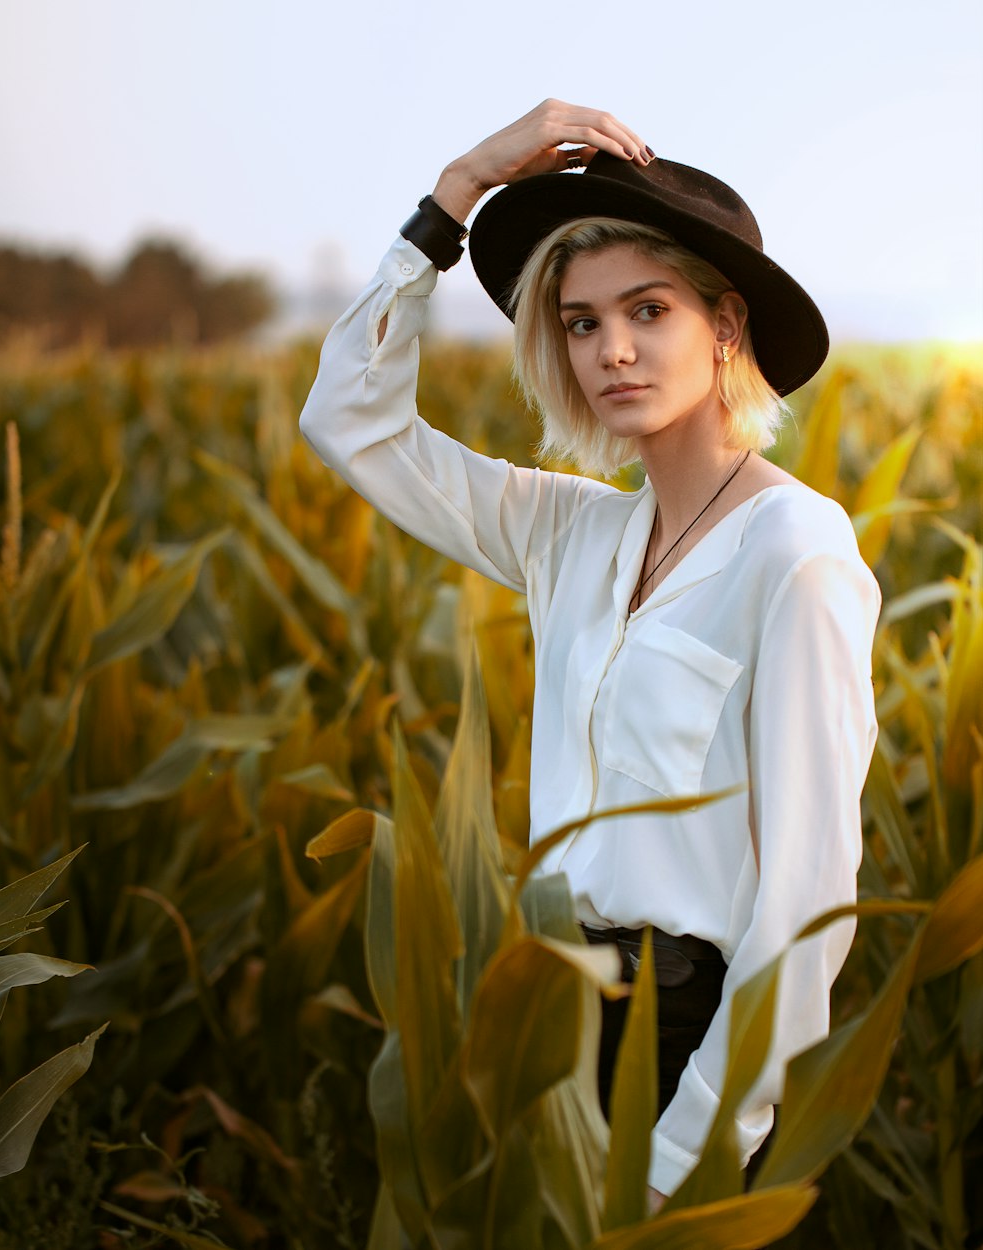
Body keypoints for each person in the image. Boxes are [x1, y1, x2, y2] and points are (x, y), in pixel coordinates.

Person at [299, 101, 880, 1212]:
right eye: (578, 322)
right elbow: (349, 422)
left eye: (646, 310)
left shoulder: (795, 551)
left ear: (723, 326)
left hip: (683, 1050)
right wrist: (457, 186)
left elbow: (806, 896)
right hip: (546, 1022)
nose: (611, 348)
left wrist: (692, 1145)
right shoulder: (571, 532)